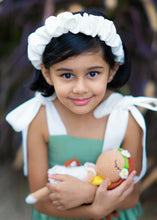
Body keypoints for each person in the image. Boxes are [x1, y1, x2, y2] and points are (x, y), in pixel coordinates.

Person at [6, 9, 157, 220]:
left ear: (112, 70)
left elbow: (131, 196)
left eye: (93, 73)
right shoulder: (40, 118)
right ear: (47, 74)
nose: (80, 88)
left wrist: (90, 193)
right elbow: (39, 198)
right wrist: (93, 211)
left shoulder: (125, 118)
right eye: (67, 75)